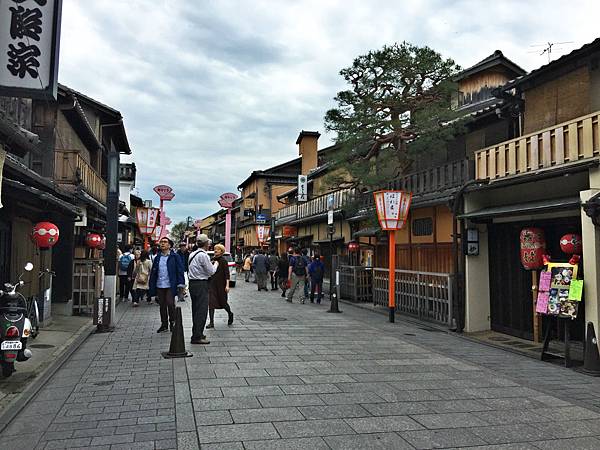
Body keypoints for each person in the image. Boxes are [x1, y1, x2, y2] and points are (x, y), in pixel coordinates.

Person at [149, 237, 186, 333]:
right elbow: (154, 272)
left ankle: (172, 322)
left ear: (169, 245)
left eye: (165, 242)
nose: (162, 243)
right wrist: (151, 285)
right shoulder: (157, 257)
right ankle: (164, 324)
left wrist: (181, 284)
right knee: (162, 305)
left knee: (170, 303)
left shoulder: (175, 257)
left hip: (170, 284)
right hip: (160, 284)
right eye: (161, 242)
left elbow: (180, 270)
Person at [187, 234, 217, 345]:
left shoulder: (192, 254)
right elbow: (211, 271)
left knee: (195, 310)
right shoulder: (203, 256)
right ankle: (197, 336)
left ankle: (197, 332)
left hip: (192, 283)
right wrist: (216, 264)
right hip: (201, 284)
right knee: (201, 310)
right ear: (206, 244)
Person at [206, 244, 234, 329]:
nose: (216, 250)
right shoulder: (212, 260)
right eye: (215, 249)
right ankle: (211, 322)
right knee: (211, 303)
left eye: (218, 249)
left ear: (221, 251)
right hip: (212, 284)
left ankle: (230, 313)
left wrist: (227, 285)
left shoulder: (223, 261)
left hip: (221, 285)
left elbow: (227, 274)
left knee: (223, 302)